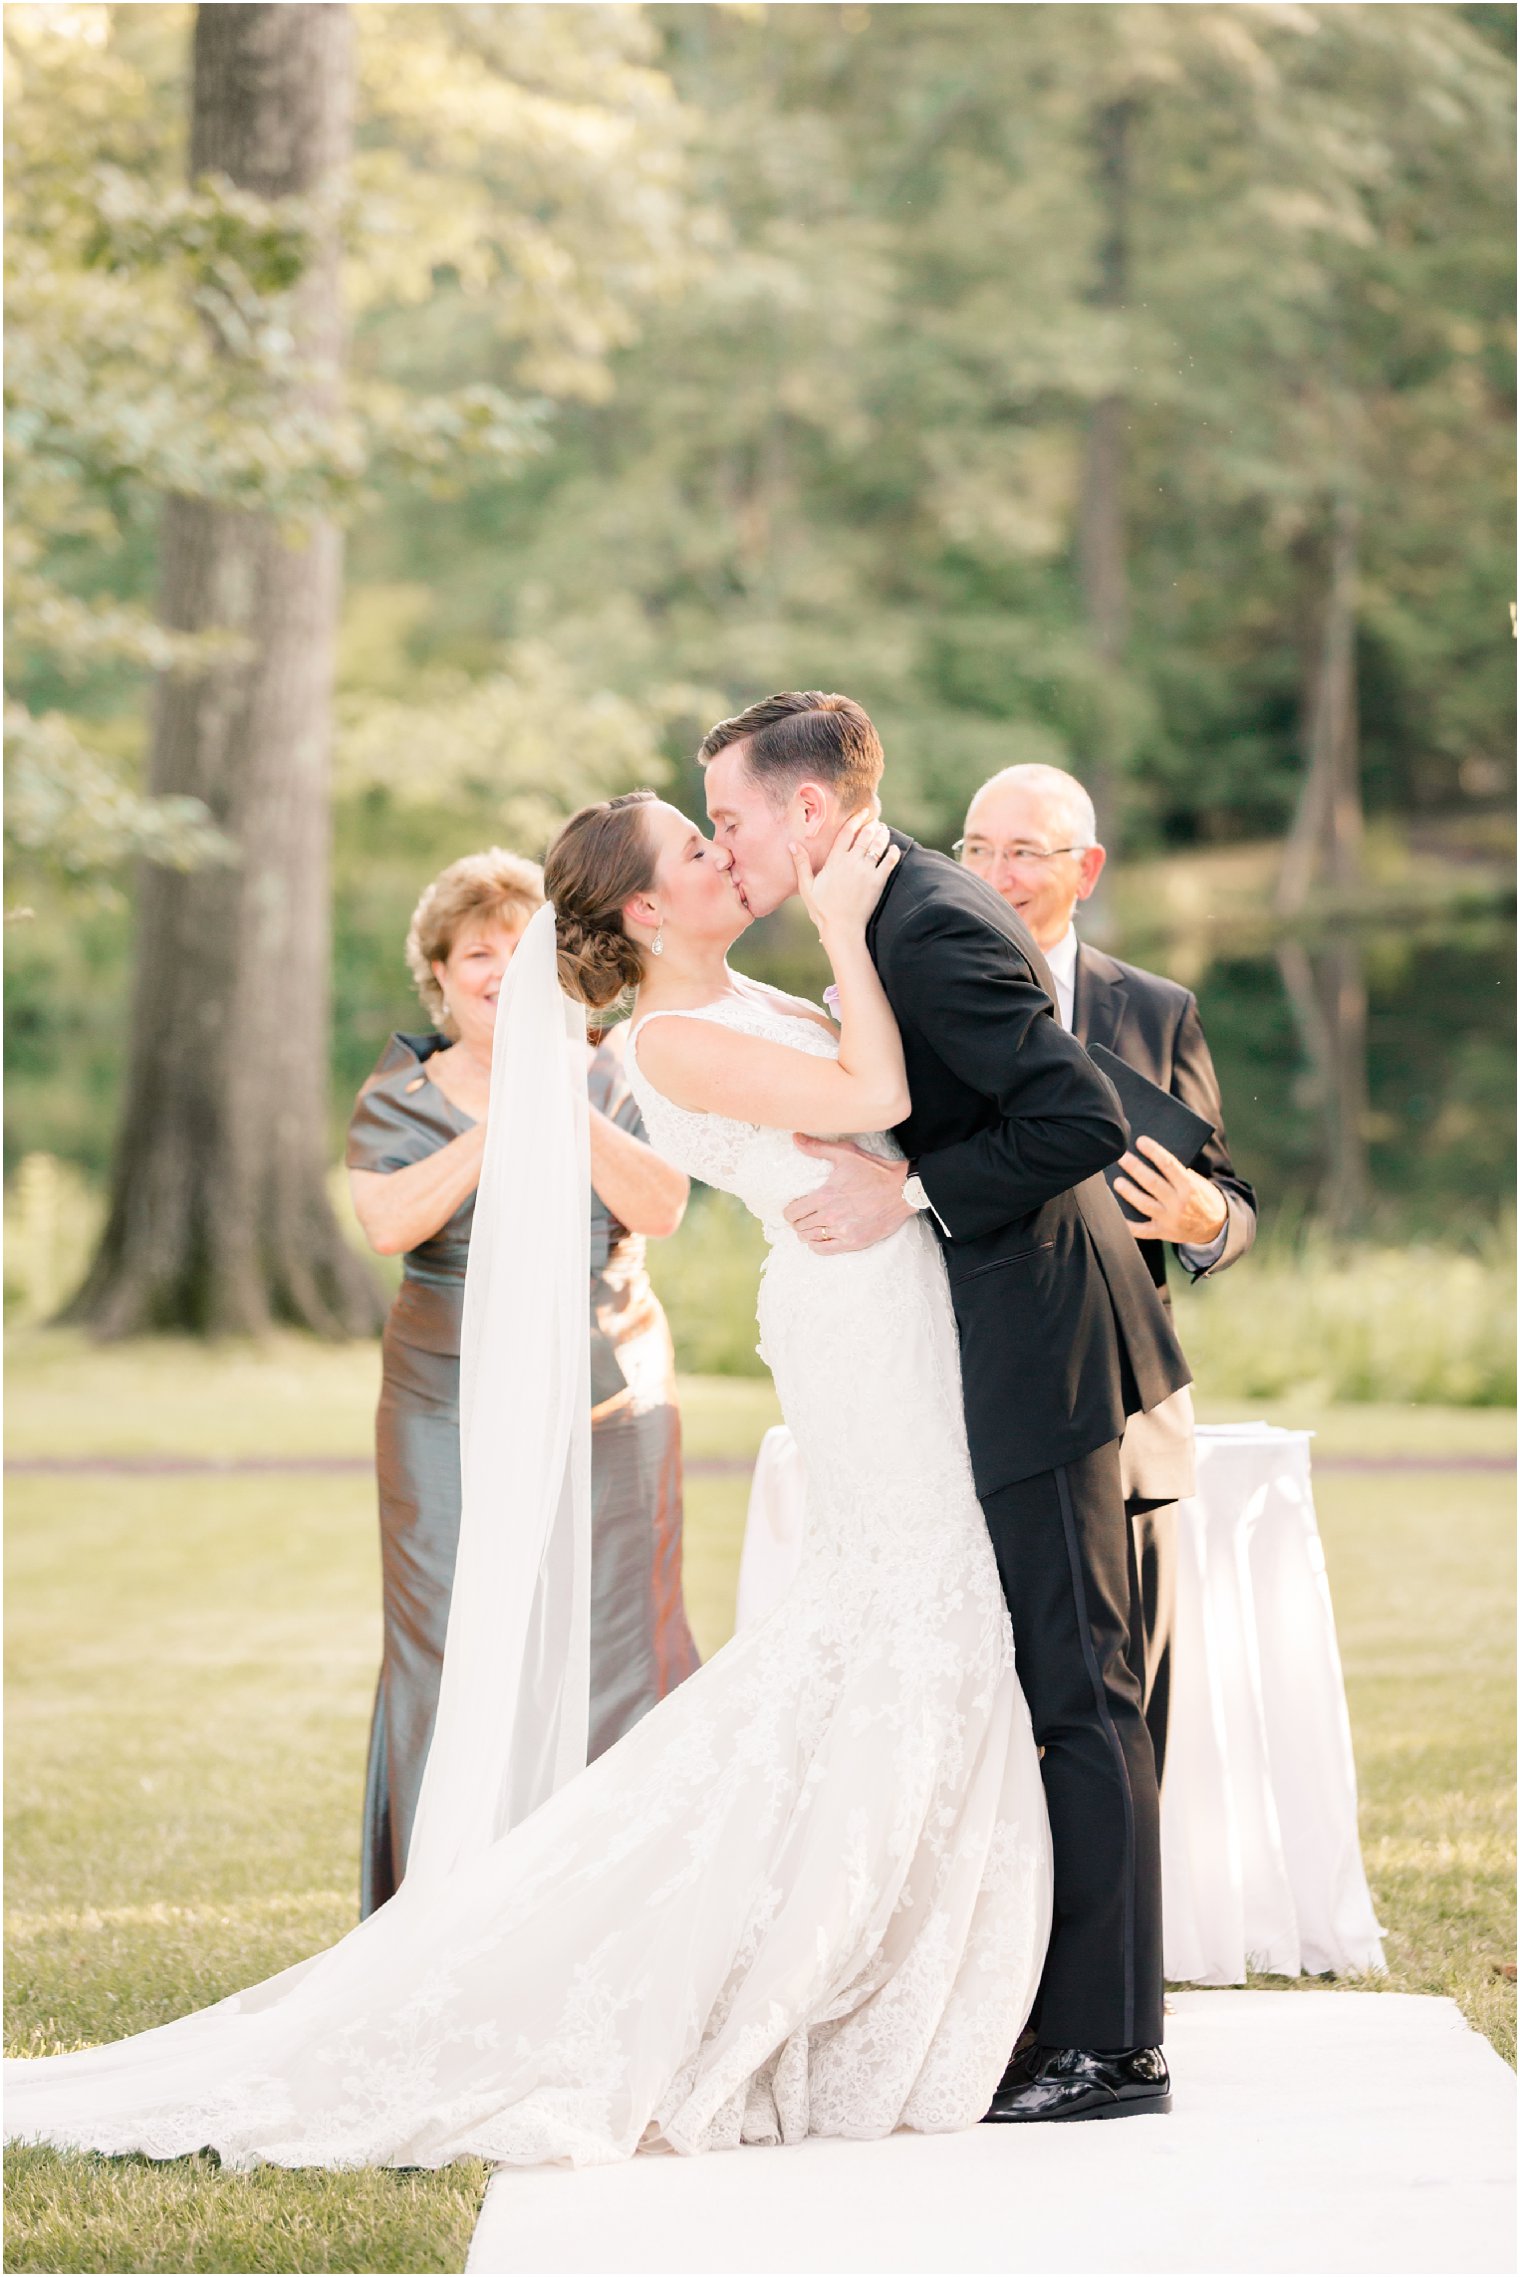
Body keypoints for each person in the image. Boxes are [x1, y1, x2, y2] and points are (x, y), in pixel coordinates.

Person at [5, 788, 1073, 2169]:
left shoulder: (741, 997)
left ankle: (881, 1948)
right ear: (641, 910)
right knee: (901, 1610)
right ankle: (812, 1965)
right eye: (697, 848)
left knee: (902, 1617)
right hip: (854, 1314)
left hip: (885, 1297)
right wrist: (848, 925)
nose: (722, 852)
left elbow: (892, 1099)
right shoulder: (667, 1039)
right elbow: (875, 1094)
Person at [705, 693, 1191, 2124]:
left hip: (1045, 1340)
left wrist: (905, 1190)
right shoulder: (885, 909)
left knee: (1081, 1691)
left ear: (807, 809)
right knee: (1055, 1683)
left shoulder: (924, 919)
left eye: (731, 815)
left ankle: (1115, 2046)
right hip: (997, 1335)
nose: (726, 843)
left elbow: (1082, 1116)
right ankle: (1055, 2014)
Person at [346, 848, 700, 1916]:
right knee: (445, 1637)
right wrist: (503, 1121)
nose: (498, 970)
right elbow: (385, 1222)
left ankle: (618, 1900)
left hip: (610, 1387)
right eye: (475, 954)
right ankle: (439, 1901)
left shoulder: (618, 1071)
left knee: (620, 1632)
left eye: (519, 949)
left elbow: (661, 1207)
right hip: (442, 1398)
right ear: (440, 975)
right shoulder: (400, 1092)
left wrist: (560, 1097)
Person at [954, 764, 1257, 1780]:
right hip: (977, 1395)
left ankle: (1131, 1928)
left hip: (1129, 1408)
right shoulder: (919, 999)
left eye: (1023, 852)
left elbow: (1231, 1200)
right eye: (976, 849)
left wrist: (1201, 1218)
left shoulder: (1159, 1010)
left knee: (1132, 1703)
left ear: (1082, 868)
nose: (995, 873)